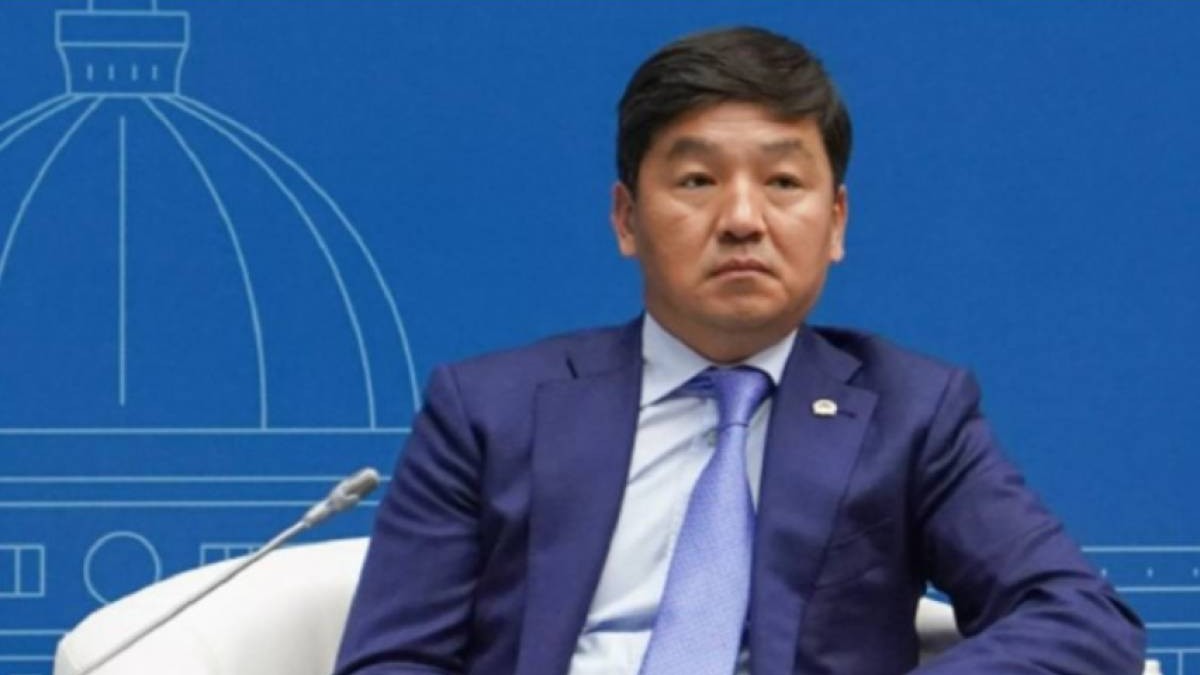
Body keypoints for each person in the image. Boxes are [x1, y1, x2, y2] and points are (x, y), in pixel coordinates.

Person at [333, 26, 1144, 675]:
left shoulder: (912, 412)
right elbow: (392, 657)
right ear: (626, 218)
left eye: (784, 183)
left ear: (836, 223)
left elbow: (1080, 617)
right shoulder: (487, 409)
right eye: (697, 181)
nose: (743, 220)